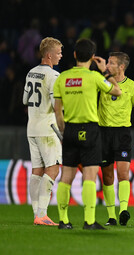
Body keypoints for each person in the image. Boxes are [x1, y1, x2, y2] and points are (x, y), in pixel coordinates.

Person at [54, 38, 121, 230]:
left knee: (66, 177)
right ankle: (89, 221)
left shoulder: (62, 78)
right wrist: (105, 72)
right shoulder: (94, 77)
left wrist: (64, 132)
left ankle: (63, 220)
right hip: (90, 130)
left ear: (74, 55)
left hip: (70, 130)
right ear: (92, 57)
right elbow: (117, 91)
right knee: (89, 176)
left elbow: (58, 111)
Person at [98, 52, 134, 226]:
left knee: (123, 173)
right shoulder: (102, 82)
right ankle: (111, 216)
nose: (107, 65)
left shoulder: (133, 86)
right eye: (108, 62)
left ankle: (123, 210)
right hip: (103, 133)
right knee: (107, 175)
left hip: (123, 134)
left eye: (111, 63)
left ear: (121, 67)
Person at [23, 37, 63, 226]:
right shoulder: (54, 76)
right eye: (58, 53)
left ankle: (36, 214)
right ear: (49, 55)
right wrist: (63, 128)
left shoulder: (31, 73)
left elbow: (25, 100)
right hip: (48, 128)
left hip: (32, 127)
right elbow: (57, 105)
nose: (61, 56)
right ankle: (42, 214)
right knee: (53, 168)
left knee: (37, 170)